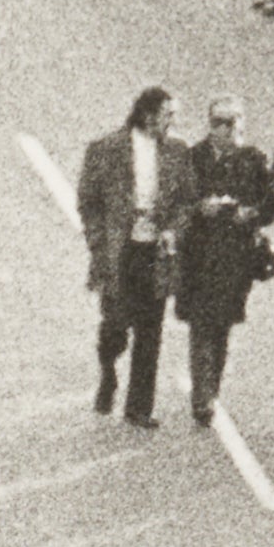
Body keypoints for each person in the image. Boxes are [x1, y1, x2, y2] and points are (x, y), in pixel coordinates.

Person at [80, 86, 184, 427]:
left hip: (154, 250)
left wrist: (172, 228)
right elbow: (89, 201)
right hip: (119, 251)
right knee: (115, 325)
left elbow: (186, 199)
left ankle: (139, 407)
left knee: (150, 329)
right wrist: (98, 241)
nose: (172, 121)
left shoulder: (176, 152)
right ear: (149, 115)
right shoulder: (106, 149)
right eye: (167, 114)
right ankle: (108, 372)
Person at [175, 102, 274, 432]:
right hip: (199, 255)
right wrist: (197, 208)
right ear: (209, 124)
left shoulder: (253, 160)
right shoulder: (193, 159)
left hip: (234, 257)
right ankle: (202, 396)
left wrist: (251, 213)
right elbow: (175, 202)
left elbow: (272, 205)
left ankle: (211, 388)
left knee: (221, 327)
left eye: (232, 122)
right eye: (220, 122)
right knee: (201, 324)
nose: (226, 129)